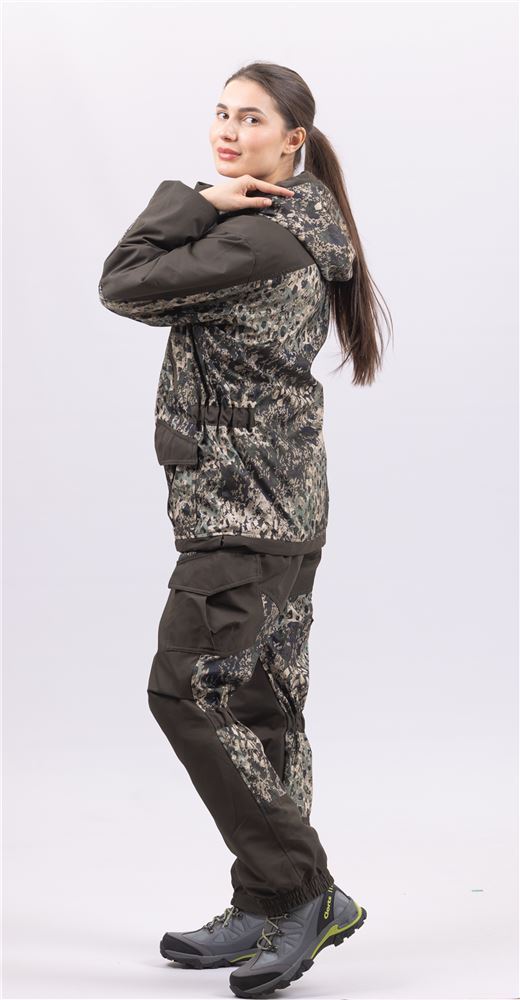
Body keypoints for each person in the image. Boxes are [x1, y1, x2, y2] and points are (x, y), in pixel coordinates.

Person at [98, 60, 391, 1000]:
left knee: (184, 689)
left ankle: (305, 893)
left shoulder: (258, 238)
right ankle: (268, 901)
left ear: (292, 139)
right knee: (261, 705)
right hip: (283, 506)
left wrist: (193, 202)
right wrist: (215, 204)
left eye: (252, 118)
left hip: (242, 512)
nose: (229, 131)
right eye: (221, 114)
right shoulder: (297, 223)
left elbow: (123, 282)